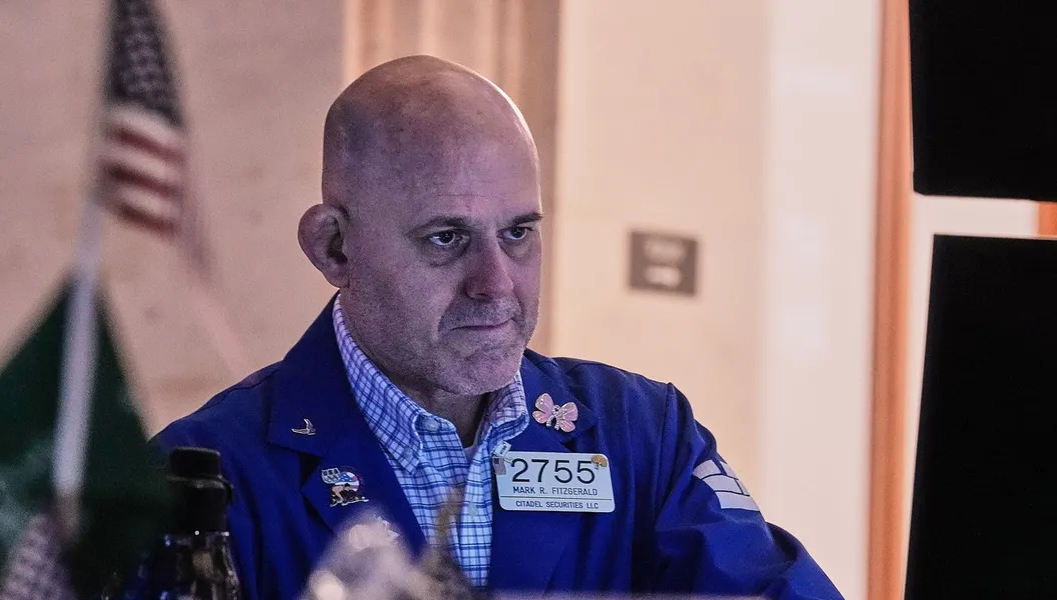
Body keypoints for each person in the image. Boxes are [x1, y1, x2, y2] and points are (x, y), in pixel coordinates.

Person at [153, 55, 843, 600]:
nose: (496, 283)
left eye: (517, 233)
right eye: (446, 238)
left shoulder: (643, 437)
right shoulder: (204, 475)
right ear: (334, 248)